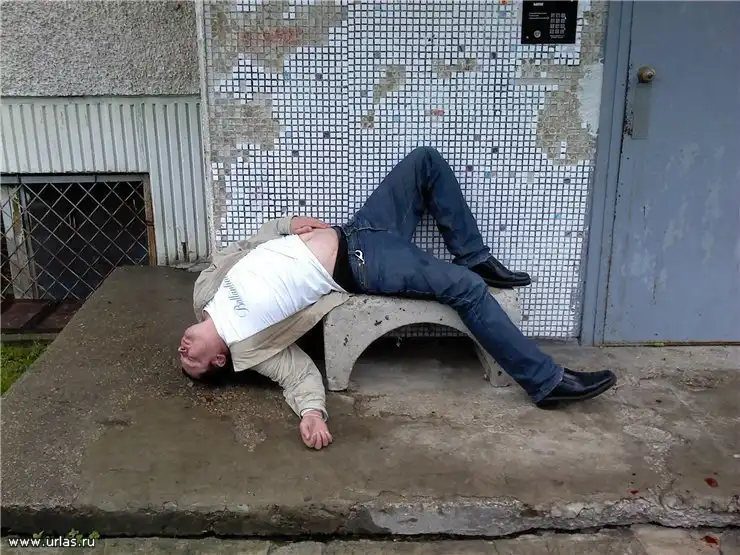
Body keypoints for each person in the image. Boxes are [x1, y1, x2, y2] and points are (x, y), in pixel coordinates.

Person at [179, 147, 616, 450]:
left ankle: (475, 255)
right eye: (192, 363)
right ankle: (545, 382)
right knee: (467, 289)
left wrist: (286, 224)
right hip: (362, 264)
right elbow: (298, 377)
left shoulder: (205, 293)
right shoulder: (251, 350)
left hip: (358, 229)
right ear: (217, 360)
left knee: (425, 162)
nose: (182, 351)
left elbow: (241, 248)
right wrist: (312, 414)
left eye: (182, 355)